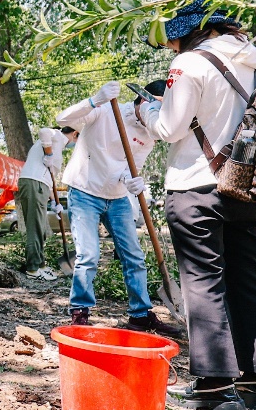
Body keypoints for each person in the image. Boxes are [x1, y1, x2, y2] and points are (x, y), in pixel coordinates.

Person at [137, 0, 256, 410]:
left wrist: (146, 108)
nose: (171, 47)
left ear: (188, 31)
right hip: (246, 187)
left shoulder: (190, 64)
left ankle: (217, 387)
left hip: (195, 185)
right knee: (247, 277)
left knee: (203, 280)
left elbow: (169, 128)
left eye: (172, 39)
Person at [55, 80, 182, 337]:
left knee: (133, 256)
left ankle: (140, 314)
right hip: (84, 191)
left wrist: (131, 181)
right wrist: (95, 99)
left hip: (117, 197)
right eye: (158, 107)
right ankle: (80, 312)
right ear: (143, 102)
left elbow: (130, 167)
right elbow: (61, 118)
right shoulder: (106, 110)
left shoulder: (150, 135)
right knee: (88, 255)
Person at [16, 126, 73, 279]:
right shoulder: (59, 136)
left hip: (39, 184)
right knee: (35, 227)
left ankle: (40, 264)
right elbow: (44, 131)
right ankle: (33, 269)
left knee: (40, 227)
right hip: (34, 183)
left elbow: (49, 178)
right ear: (75, 133)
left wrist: (55, 202)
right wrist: (49, 154)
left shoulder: (57, 144)